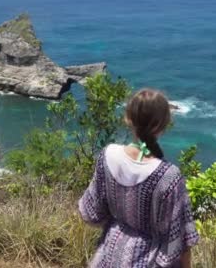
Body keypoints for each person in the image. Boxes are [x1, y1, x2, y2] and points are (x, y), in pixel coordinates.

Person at [78, 88, 199, 267]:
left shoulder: (108, 155)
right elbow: (180, 243)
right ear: (164, 124)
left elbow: (91, 213)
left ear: (128, 118)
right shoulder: (169, 176)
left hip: (109, 255)